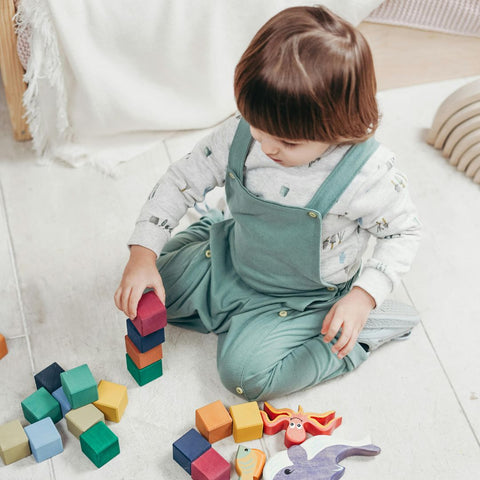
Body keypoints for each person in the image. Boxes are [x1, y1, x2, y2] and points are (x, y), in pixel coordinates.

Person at [114, 5, 421, 401]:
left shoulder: (367, 173)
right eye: (256, 129)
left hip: (302, 298)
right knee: (152, 291)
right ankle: (212, 232)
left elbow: (404, 231)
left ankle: (364, 332)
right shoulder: (246, 131)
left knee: (245, 375)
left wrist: (363, 296)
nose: (267, 147)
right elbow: (181, 178)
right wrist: (142, 255)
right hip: (234, 256)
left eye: (288, 142)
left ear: (338, 124)